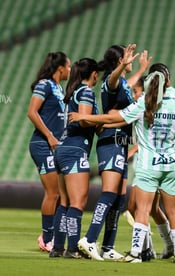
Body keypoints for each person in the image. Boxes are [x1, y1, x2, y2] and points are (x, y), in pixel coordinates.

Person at [69, 68, 175, 264]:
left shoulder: (143, 106)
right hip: (171, 165)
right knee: (174, 211)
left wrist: (85, 118)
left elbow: (114, 118)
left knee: (142, 210)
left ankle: (137, 253)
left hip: (149, 166)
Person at [77, 44, 152, 261]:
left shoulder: (123, 86)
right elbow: (114, 80)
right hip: (111, 142)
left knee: (119, 199)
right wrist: (122, 66)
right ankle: (89, 240)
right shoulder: (111, 80)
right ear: (119, 62)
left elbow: (126, 85)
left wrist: (140, 69)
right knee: (109, 193)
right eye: (126, 59)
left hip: (121, 144)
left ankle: (108, 247)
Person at [51, 58, 102, 259]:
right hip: (75, 150)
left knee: (64, 201)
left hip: (62, 149)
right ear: (94, 74)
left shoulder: (71, 93)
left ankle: (57, 248)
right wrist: (105, 121)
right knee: (77, 203)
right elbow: (83, 119)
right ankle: (72, 249)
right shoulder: (87, 92)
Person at [28, 52, 71, 252]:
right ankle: (47, 238)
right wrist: (49, 136)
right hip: (43, 145)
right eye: (68, 67)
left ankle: (51, 234)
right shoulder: (44, 85)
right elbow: (32, 112)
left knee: (61, 195)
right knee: (53, 193)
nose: (70, 71)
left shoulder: (58, 88)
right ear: (60, 68)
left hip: (56, 145)